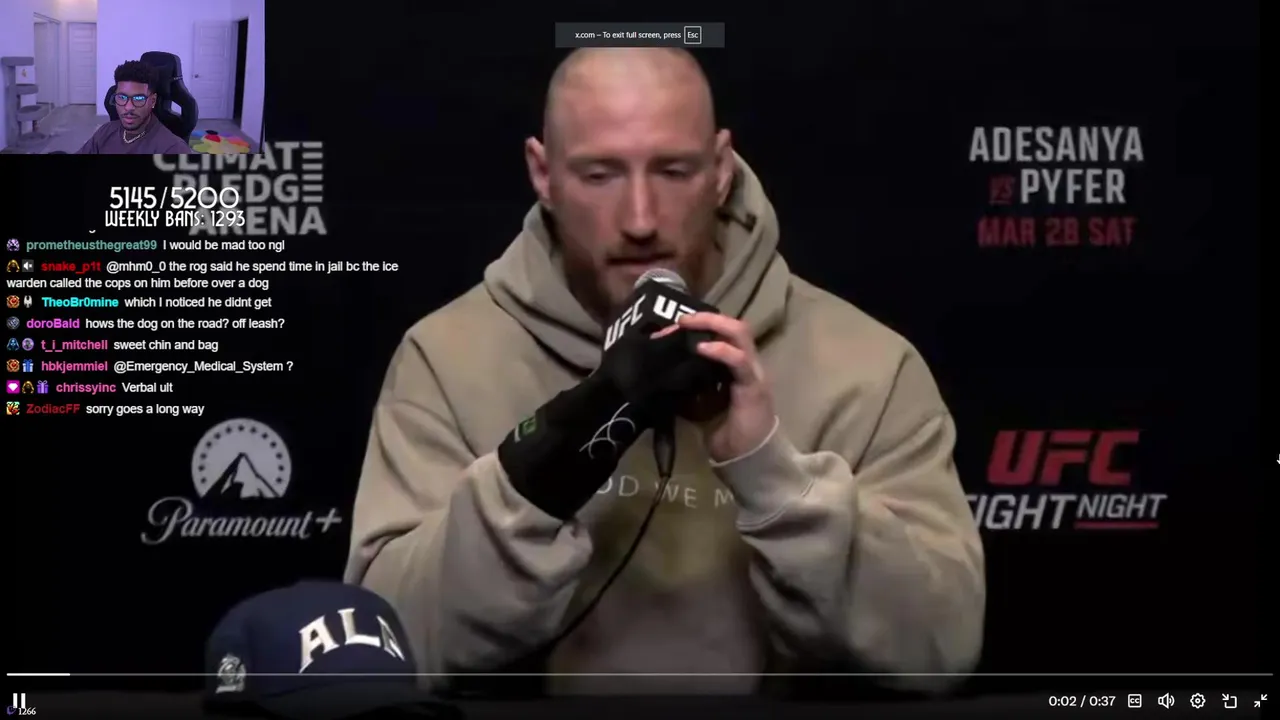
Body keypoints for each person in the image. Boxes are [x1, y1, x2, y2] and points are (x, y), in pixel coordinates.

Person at [345, 48, 984, 695]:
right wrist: (558, 450)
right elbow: (384, 641)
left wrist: (772, 473)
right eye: (600, 175)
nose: (641, 220)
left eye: (674, 171)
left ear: (721, 170)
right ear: (543, 174)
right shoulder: (447, 357)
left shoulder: (867, 366)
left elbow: (941, 647)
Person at [76, 60, 194, 154]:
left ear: (153, 101)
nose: (128, 107)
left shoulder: (173, 149)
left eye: (138, 98)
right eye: (122, 97)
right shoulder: (105, 131)